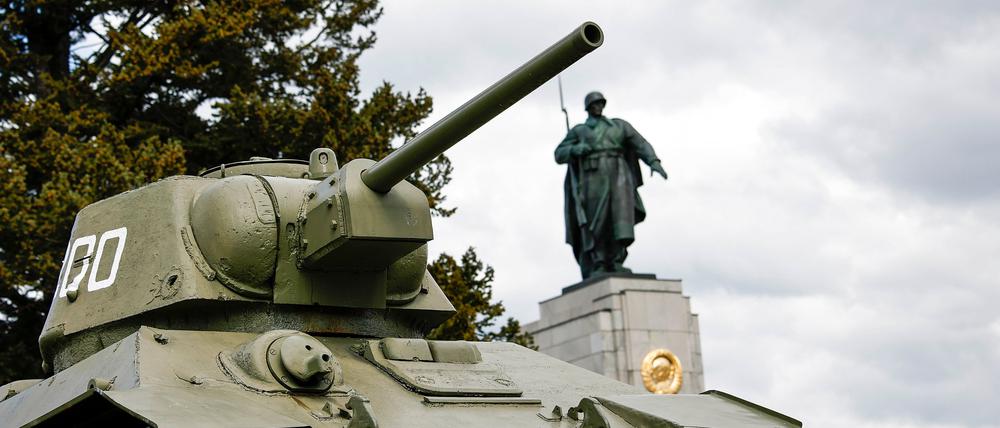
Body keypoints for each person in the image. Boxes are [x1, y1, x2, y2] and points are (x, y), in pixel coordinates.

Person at [555, 91, 668, 279]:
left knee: (620, 218)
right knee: (596, 221)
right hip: (593, 179)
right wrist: (575, 149)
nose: (598, 107)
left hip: (619, 175)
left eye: (600, 103)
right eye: (594, 104)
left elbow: (640, 143)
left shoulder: (619, 126)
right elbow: (559, 154)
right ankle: (598, 262)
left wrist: (654, 161)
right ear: (588, 108)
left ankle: (616, 260)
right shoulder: (580, 130)